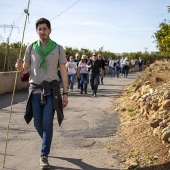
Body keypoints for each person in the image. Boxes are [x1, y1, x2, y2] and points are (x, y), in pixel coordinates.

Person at [15, 18, 68, 169]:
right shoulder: (31, 47)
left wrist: (65, 93)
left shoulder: (58, 48)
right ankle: (47, 141)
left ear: (50, 30)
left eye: (45, 29)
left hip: (51, 90)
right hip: (35, 90)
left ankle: (43, 155)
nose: (42, 31)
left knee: (47, 124)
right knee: (38, 124)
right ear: (37, 31)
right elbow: (25, 70)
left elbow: (63, 72)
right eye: (39, 29)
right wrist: (19, 66)